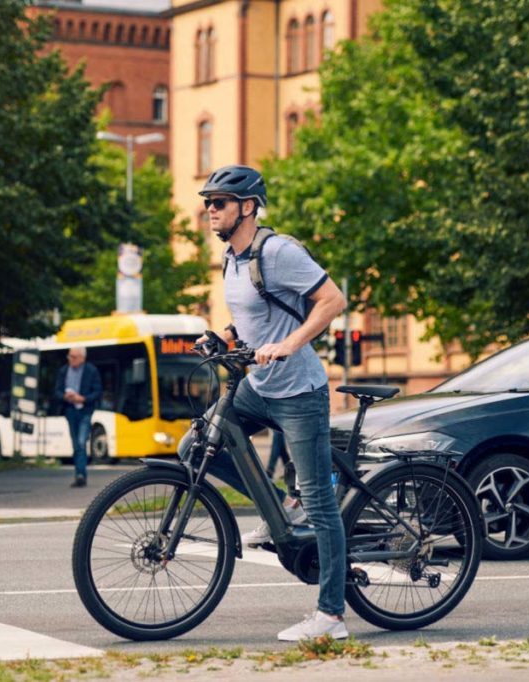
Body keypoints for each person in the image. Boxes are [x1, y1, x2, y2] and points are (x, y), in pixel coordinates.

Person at [195, 164, 349, 641]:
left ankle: (331, 616)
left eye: (218, 203)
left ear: (246, 207)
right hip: (258, 386)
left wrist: (291, 344)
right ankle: (277, 504)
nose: (210, 211)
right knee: (195, 446)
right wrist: (224, 336)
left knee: (321, 504)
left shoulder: (278, 251)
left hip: (299, 393)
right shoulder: (232, 260)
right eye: (207, 204)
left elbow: (332, 300)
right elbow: (254, 317)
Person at [54, 346, 102, 488]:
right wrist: (65, 396)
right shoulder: (63, 371)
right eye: (69, 356)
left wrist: (83, 398)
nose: (70, 359)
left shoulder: (91, 371)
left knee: (81, 442)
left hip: (85, 411)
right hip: (70, 411)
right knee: (76, 444)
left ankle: (81, 475)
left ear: (82, 357)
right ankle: (79, 474)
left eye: (73, 357)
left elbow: (98, 391)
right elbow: (56, 391)